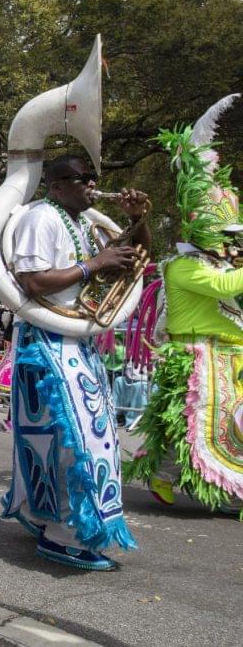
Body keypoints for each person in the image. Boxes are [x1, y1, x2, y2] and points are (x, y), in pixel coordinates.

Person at [4, 154, 149, 570]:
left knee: (84, 437)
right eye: (79, 179)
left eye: (92, 178)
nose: (90, 184)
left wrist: (138, 221)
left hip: (78, 339)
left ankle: (46, 518)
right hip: (46, 339)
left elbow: (133, 259)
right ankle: (63, 535)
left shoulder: (87, 223)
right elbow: (31, 282)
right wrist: (92, 265)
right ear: (55, 186)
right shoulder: (40, 218)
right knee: (75, 442)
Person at [125, 120, 243, 516]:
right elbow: (226, 289)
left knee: (198, 427)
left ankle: (165, 473)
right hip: (200, 355)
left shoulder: (211, 263)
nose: (231, 242)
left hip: (222, 353)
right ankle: (220, 488)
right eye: (226, 235)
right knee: (208, 426)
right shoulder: (185, 267)